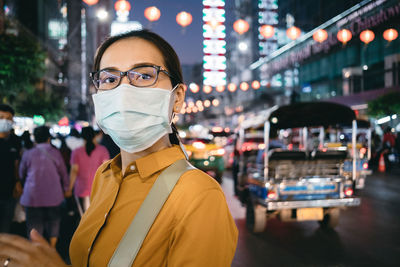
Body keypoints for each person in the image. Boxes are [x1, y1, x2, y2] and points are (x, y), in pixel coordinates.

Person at [0, 29, 238, 266]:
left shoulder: (200, 196)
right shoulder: (105, 175)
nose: (124, 91)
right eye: (110, 79)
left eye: (144, 76)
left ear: (177, 97)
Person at [18, 126, 69, 248]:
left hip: (33, 197)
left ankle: (37, 253)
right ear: (48, 138)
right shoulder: (55, 153)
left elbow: (21, 174)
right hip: (54, 196)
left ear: (35, 138)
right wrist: (67, 188)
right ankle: (52, 249)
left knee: (34, 227)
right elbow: (63, 173)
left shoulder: (28, 154)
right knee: (54, 223)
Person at [67, 126, 109, 212]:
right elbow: (107, 169)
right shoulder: (103, 150)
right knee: (98, 216)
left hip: (81, 189)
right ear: (94, 135)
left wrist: (69, 189)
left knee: (84, 217)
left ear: (81, 137)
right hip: (99, 189)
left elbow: (74, 171)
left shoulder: (76, 152)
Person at [0, 104, 22, 233]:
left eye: (8, 118)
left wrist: (18, 182)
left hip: (9, 192)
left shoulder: (15, 141)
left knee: (5, 229)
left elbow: (16, 164)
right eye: (1, 117)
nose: (5, 121)